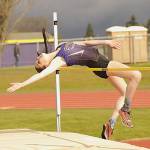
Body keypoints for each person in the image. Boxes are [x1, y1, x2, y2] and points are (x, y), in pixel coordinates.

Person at [7, 40, 141, 140]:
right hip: (103, 65)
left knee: (125, 93)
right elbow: (40, 75)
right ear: (46, 65)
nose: (37, 58)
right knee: (136, 75)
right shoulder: (58, 61)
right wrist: (22, 84)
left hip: (103, 61)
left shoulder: (61, 46)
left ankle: (110, 124)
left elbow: (85, 42)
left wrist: (106, 42)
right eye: (38, 62)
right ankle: (126, 110)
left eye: (36, 59)